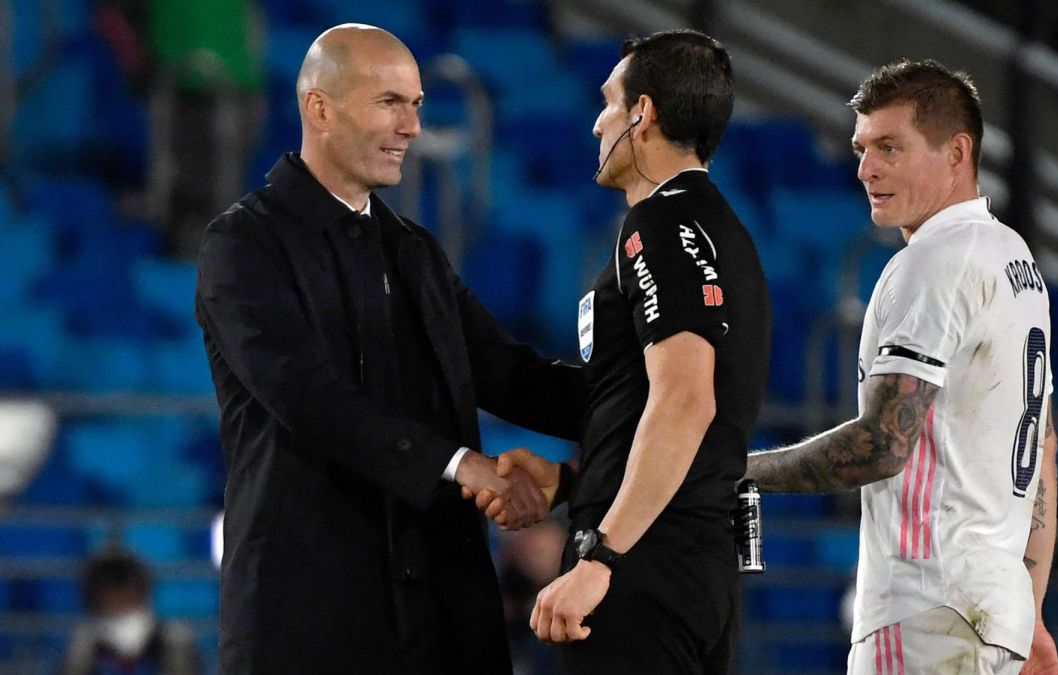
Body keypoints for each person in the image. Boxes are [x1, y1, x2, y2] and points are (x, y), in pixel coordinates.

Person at [194, 24, 585, 674]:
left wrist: (644, 397)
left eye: (417, 104)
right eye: (390, 103)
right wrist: (462, 465)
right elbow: (306, 396)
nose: (412, 126)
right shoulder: (243, 245)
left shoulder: (415, 251)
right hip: (312, 621)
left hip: (443, 616)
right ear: (320, 108)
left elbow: (510, 373)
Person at [743, 60, 1058, 674]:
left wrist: (742, 469)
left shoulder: (934, 262)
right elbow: (1041, 448)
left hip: (925, 607)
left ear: (957, 152)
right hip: (994, 615)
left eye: (890, 147)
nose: (867, 169)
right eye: (862, 149)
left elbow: (883, 446)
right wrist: (1030, 610)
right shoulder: (1017, 260)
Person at [477, 29, 772, 675]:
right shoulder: (720, 230)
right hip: (689, 563)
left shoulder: (661, 222)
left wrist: (600, 558)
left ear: (643, 114)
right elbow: (646, 400)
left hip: (645, 567)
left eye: (609, 102)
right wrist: (576, 480)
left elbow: (686, 402)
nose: (597, 122)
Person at [60, 548, 201, 675]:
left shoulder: (175, 642)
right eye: (111, 601)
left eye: (126, 598)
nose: (119, 607)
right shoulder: (83, 649)